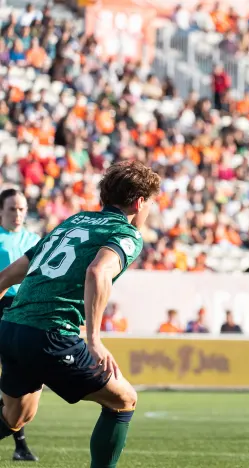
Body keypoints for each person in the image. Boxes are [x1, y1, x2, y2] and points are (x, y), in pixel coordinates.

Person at [0, 161, 161, 467]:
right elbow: (98, 272)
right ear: (140, 202)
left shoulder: (73, 222)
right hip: (50, 334)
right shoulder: (125, 233)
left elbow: (8, 276)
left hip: (11, 328)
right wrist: (94, 340)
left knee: (17, 415)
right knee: (123, 400)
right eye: (150, 203)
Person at [0, 188, 40, 461]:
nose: (18, 214)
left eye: (22, 209)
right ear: (1, 211)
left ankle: (21, 445)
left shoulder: (34, 239)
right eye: (12, 209)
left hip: (24, 310)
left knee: (17, 378)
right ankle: (20, 445)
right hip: (1, 304)